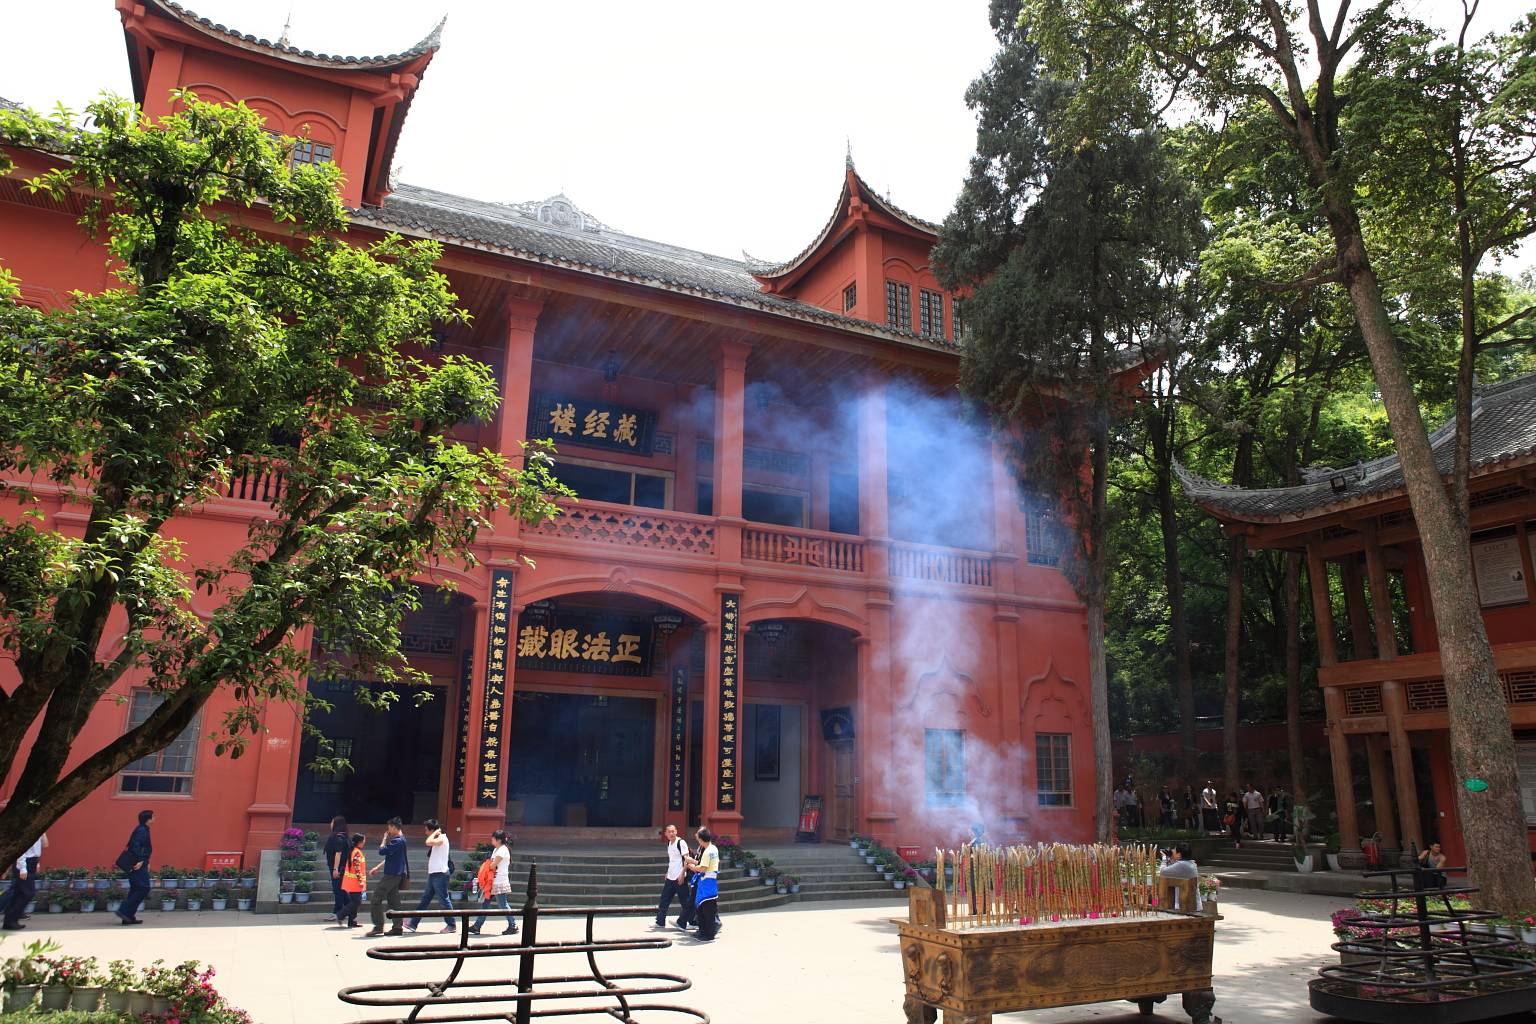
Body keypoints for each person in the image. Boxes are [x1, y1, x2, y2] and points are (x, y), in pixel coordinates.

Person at [406, 819, 454, 933]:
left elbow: (427, 842)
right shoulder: (438, 838)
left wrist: (435, 833)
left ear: (432, 830)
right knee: (425, 899)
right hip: (434, 874)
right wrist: (434, 833)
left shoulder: (442, 838)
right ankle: (413, 923)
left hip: (441, 874)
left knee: (444, 900)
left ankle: (451, 925)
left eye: (427, 830)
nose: (425, 832)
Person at [470, 829, 517, 936]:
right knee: (485, 903)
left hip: (499, 881)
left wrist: (486, 865)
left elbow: (492, 865)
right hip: (492, 881)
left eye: (493, 838)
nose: (492, 840)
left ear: (498, 840)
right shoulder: (497, 849)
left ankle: (513, 924)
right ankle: (477, 926)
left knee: (503, 904)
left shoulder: (502, 850)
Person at [367, 817, 409, 937]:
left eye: (389, 827)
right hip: (396, 873)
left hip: (392, 874)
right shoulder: (401, 840)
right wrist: (378, 867)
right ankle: (397, 927)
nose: (388, 830)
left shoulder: (397, 841)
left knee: (376, 898)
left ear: (395, 827)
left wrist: (384, 839)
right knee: (394, 900)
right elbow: (390, 857)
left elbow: (382, 851)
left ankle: (378, 926)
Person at [118, 810, 154, 925]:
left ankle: (128, 917)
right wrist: (140, 860)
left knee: (135, 888)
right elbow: (135, 845)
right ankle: (124, 911)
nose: (155, 818)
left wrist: (145, 861)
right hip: (137, 863)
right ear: (149, 819)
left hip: (139, 862)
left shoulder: (142, 829)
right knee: (144, 887)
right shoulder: (142, 830)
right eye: (153, 816)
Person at [2, 833, 44, 931]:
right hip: (24, 863)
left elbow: (37, 847)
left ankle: (10, 921)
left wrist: (37, 863)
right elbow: (20, 850)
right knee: (28, 893)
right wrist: (23, 868)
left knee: (18, 893)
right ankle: (10, 920)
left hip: (31, 861)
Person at [655, 824, 693, 931]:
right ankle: (660, 921)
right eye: (669, 832)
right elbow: (672, 860)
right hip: (670, 877)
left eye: (673, 831)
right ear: (666, 834)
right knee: (664, 900)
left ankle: (692, 921)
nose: (671, 834)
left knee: (685, 901)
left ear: (676, 831)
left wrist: (682, 874)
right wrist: (668, 872)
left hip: (679, 877)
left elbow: (687, 860)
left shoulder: (681, 843)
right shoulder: (669, 844)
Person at [691, 827, 721, 941]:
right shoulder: (713, 848)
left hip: (706, 882)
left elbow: (703, 868)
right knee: (703, 909)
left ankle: (707, 934)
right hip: (710, 881)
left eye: (698, 837)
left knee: (706, 909)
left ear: (701, 839)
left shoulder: (708, 851)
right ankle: (703, 932)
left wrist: (693, 867)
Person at [1159, 842, 1202, 911]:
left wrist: (1164, 858)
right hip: (1192, 903)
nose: (1172, 851)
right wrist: (1171, 859)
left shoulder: (1182, 865)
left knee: (1156, 890)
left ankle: (1154, 905)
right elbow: (1173, 868)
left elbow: (1162, 872)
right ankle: (1154, 904)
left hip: (1186, 905)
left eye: (1174, 850)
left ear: (1179, 854)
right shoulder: (1190, 863)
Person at [323, 815, 349, 923]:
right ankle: (349, 910)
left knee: (338, 890)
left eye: (332, 822)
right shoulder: (344, 837)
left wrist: (335, 869)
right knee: (341, 890)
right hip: (341, 867)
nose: (331, 824)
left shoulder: (338, 838)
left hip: (338, 868)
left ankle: (337, 913)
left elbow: (338, 853)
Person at [339, 833, 367, 928]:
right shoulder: (357, 852)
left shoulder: (353, 851)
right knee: (356, 902)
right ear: (359, 842)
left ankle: (352, 921)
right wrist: (361, 881)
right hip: (355, 882)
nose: (364, 843)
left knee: (355, 902)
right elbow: (357, 867)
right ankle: (341, 914)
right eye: (363, 841)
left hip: (351, 882)